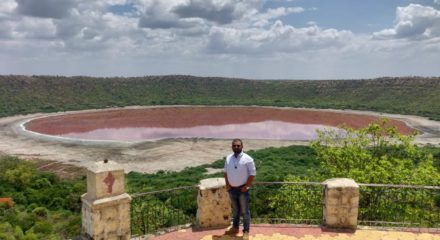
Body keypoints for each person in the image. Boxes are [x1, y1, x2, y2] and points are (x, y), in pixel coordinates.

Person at [224, 139, 256, 239]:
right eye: (234, 146)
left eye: (238, 146)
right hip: (232, 189)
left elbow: (252, 174)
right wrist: (227, 184)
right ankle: (235, 227)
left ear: (242, 146)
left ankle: (246, 231)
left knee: (245, 211)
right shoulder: (228, 158)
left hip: (243, 190)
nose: (236, 147)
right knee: (236, 210)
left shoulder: (248, 159)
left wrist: (246, 186)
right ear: (232, 147)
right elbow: (225, 172)